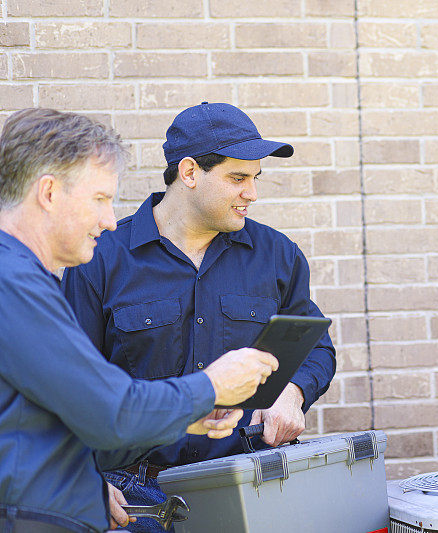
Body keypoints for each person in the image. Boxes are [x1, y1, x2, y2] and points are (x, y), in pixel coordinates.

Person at [0, 108, 280, 533]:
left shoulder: (22, 279)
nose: (110, 220)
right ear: (50, 193)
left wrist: (187, 417)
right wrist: (212, 387)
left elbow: (75, 414)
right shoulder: (13, 282)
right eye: (99, 199)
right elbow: (110, 410)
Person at [62, 102, 336, 532]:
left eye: (255, 178)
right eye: (237, 178)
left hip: (246, 484)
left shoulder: (277, 255)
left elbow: (314, 344)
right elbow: (68, 385)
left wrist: (293, 393)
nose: (253, 193)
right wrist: (79, 477)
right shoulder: (100, 259)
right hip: (133, 497)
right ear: (189, 173)